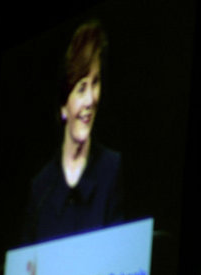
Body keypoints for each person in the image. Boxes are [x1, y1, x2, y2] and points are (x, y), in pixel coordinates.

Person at [23, 20, 124, 243]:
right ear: (63, 106)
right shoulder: (40, 188)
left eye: (95, 83)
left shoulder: (112, 168)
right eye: (81, 88)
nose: (90, 100)